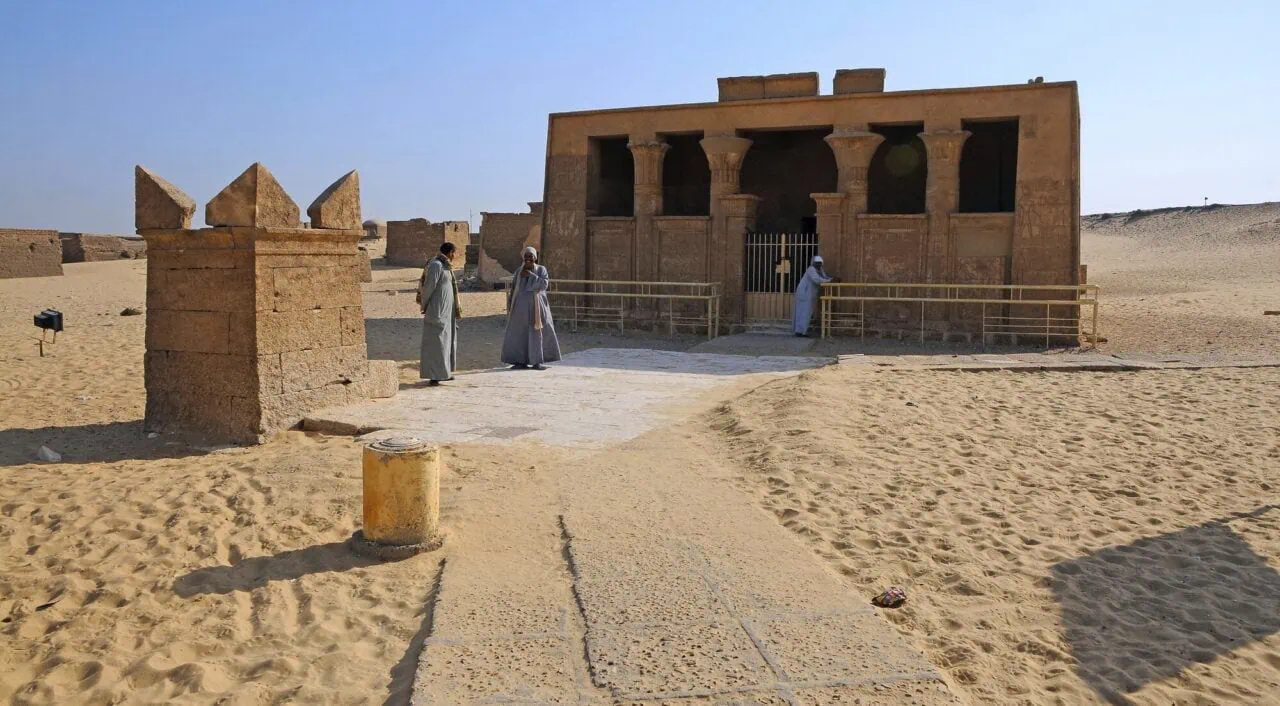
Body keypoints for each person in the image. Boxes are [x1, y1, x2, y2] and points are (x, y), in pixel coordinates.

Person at [501, 246, 561, 370]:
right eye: (526, 257)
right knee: (519, 334)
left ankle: (537, 361)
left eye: (531, 256)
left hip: (537, 308)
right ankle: (520, 361)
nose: (528, 259)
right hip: (520, 310)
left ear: (535, 257)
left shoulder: (541, 270)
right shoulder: (519, 271)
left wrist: (530, 275)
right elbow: (514, 288)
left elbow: (543, 284)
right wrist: (510, 302)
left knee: (537, 333)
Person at [417, 242, 460, 385]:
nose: (455, 256)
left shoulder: (447, 266)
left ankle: (444, 372)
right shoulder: (437, 265)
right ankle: (434, 375)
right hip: (437, 311)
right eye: (454, 253)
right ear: (450, 252)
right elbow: (429, 287)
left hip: (447, 314)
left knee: (445, 343)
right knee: (436, 343)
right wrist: (425, 305)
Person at [793, 255, 832, 337]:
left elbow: (824, 277)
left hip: (809, 294)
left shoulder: (820, 270)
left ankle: (801, 331)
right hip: (805, 293)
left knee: (806, 312)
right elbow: (817, 280)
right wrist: (829, 281)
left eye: (820, 263)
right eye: (817, 263)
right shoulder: (811, 269)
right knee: (803, 312)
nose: (819, 265)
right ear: (813, 263)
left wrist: (831, 279)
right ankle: (800, 332)